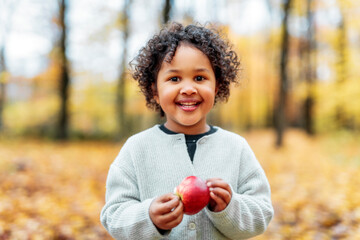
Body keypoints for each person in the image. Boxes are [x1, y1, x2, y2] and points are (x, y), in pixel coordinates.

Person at [100, 22, 273, 240]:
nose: (189, 89)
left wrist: (230, 207)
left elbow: (262, 213)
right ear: (155, 91)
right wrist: (148, 217)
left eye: (200, 78)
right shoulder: (137, 149)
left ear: (217, 87)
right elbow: (113, 216)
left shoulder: (236, 148)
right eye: (174, 79)